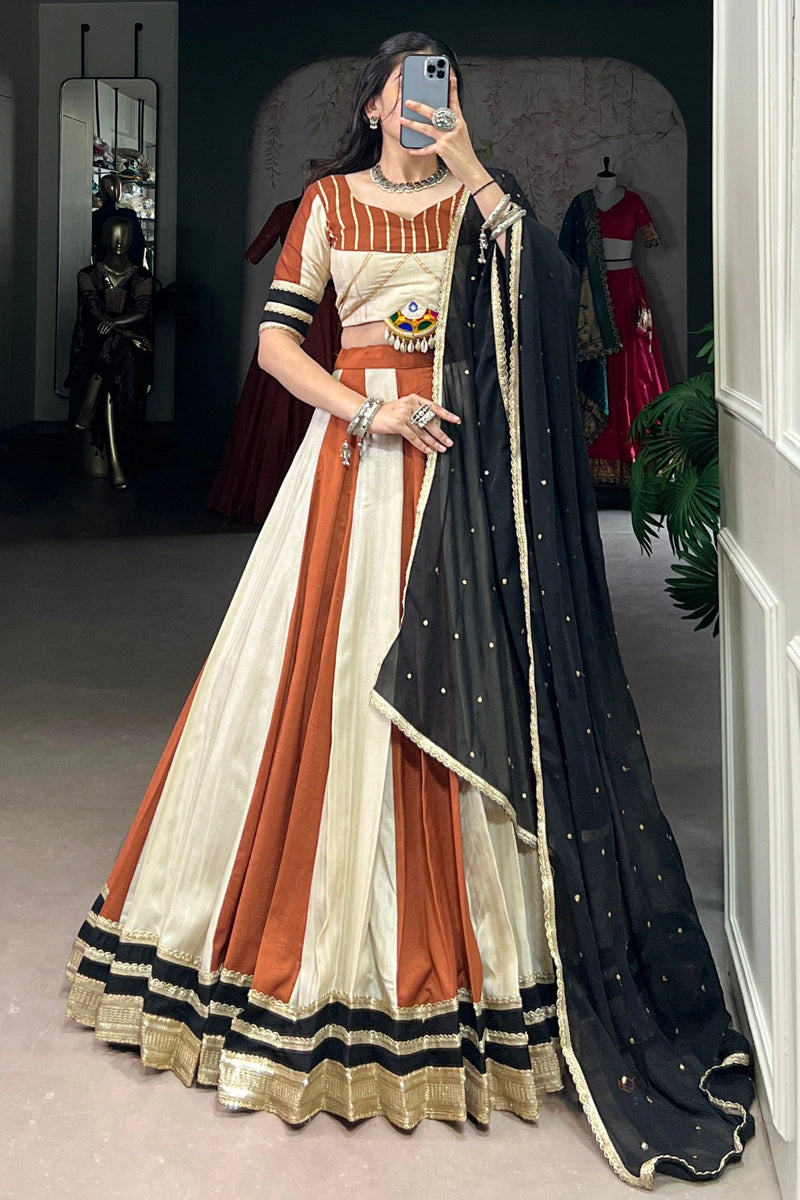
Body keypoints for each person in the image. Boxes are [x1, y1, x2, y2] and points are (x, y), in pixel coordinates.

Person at [65, 31, 754, 1187]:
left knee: (471, 679)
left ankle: (475, 967)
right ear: (375, 103)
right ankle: (312, 953)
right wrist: (364, 412)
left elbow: (550, 299)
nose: (432, 101)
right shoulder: (327, 202)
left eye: (449, 86)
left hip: (461, 475)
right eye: (414, 85)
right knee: (318, 688)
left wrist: (475, 166)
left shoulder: (484, 207)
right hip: (352, 466)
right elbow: (276, 345)